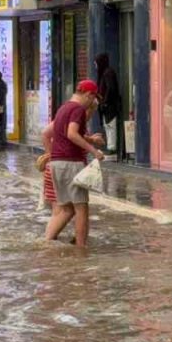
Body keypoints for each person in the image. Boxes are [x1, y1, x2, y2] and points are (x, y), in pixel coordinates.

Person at [44, 80, 106, 248]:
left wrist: (89, 138)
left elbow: (56, 133)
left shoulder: (63, 108)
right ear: (88, 94)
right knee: (81, 208)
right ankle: (81, 249)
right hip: (71, 163)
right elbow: (72, 134)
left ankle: (46, 242)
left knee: (66, 209)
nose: (92, 104)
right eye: (93, 99)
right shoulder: (78, 109)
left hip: (57, 163)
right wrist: (94, 151)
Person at [95, 53, 124, 158]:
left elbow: (111, 89)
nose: (95, 66)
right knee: (108, 125)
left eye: (96, 63)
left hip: (109, 106)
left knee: (110, 125)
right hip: (106, 105)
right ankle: (110, 146)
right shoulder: (104, 73)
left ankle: (112, 148)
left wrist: (105, 102)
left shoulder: (108, 73)